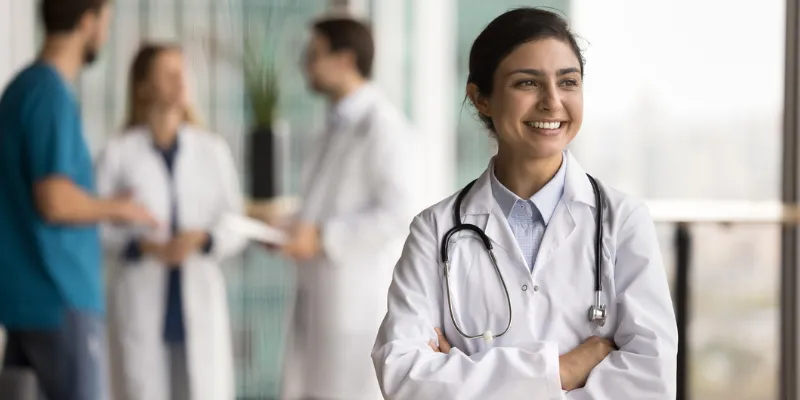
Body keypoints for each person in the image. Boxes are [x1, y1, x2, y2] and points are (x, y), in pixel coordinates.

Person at [372, 7, 678, 399]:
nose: (553, 101)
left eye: (568, 82)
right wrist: (562, 370)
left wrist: (463, 379)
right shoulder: (434, 230)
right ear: (481, 98)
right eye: (527, 83)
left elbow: (650, 383)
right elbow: (402, 375)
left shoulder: (623, 222)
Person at [0, 1, 157, 399]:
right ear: (87, 22)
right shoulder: (49, 95)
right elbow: (54, 200)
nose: (106, 32)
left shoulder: (20, 90)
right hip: (60, 296)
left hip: (25, 302)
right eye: (106, 21)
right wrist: (118, 208)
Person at [96, 43, 248, 400]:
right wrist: (141, 245)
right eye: (169, 73)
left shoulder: (211, 150)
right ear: (143, 86)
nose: (181, 81)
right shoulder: (118, 153)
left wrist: (204, 239)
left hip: (197, 297)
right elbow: (95, 225)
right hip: (141, 299)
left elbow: (235, 223)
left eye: (183, 72)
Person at [278, 16, 418, 400]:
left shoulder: (385, 128)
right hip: (318, 297)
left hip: (355, 304)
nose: (306, 65)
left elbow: (399, 213)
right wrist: (289, 228)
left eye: (314, 55)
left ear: (345, 59)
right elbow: (325, 206)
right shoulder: (330, 127)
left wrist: (323, 237)